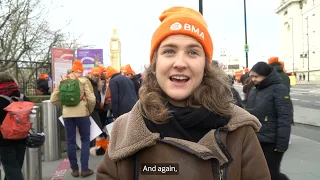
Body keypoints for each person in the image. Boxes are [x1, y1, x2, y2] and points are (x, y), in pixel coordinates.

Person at [96, 6, 270, 180]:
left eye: (193, 52)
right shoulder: (124, 129)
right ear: (155, 64)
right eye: (169, 51)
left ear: (205, 66)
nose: (180, 63)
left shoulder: (239, 130)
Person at [245, 62, 293, 180]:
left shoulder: (279, 89)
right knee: (258, 173)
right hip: (255, 140)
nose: (253, 79)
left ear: (266, 75)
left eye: (256, 76)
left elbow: (284, 118)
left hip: (271, 142)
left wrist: (281, 145)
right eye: (251, 76)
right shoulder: (254, 90)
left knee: (271, 173)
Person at [50, 60, 96, 177]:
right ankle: (84, 169)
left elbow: (53, 99)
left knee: (70, 141)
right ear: (81, 70)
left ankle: (74, 169)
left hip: (67, 115)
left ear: (72, 69)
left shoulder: (63, 80)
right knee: (85, 140)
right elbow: (91, 99)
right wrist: (88, 110)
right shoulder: (84, 81)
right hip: (82, 114)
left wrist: (64, 106)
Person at [0, 72, 29, 180]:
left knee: (12, 170)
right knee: (14, 168)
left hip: (4, 141)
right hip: (21, 138)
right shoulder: (22, 97)